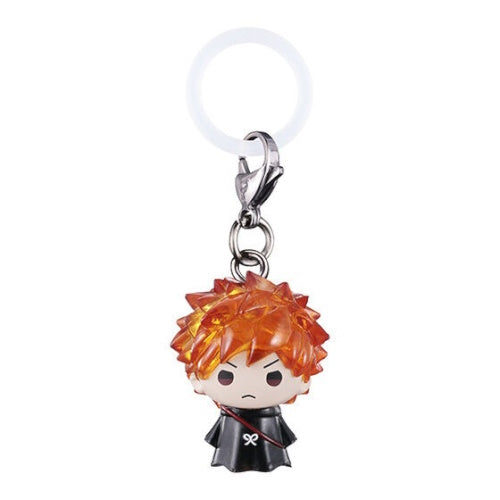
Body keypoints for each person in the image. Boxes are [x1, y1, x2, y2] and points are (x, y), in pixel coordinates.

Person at [171, 272, 329, 472]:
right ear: (196, 379)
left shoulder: (270, 415)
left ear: (304, 380)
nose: (249, 389)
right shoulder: (229, 415)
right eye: (226, 376)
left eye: (273, 377)